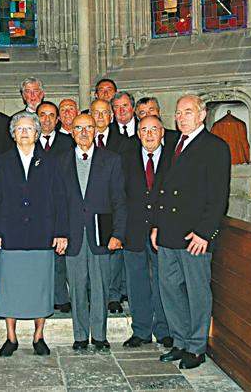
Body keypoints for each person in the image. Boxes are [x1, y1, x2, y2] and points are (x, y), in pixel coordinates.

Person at [152, 95, 231, 370]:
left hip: (194, 236)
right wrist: (156, 225)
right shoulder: (174, 144)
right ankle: (181, 341)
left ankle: (196, 347)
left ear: (201, 116)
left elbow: (219, 196)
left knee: (197, 291)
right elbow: (161, 188)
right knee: (170, 289)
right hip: (169, 233)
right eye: (178, 113)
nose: (182, 117)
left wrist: (204, 233)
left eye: (187, 112)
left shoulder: (215, 147)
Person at [0, 112, 69, 357]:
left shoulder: (50, 161)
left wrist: (61, 232)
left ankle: (38, 336)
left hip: (41, 234)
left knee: (40, 286)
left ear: (37, 133)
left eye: (29, 128)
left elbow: (60, 199)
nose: (24, 132)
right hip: (9, 235)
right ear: (13, 134)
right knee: (10, 287)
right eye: (19, 128)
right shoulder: (2, 161)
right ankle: (10, 338)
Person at [61, 113, 127, 350]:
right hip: (72, 235)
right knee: (77, 288)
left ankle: (99, 335)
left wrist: (118, 233)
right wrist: (59, 234)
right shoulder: (61, 161)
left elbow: (119, 199)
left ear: (96, 131)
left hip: (102, 235)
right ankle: (80, 336)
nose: (84, 132)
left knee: (100, 286)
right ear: (71, 131)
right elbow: (56, 203)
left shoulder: (111, 160)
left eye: (89, 127)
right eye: (79, 128)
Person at [120, 115, 174, 349]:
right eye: (144, 130)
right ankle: (140, 330)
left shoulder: (174, 158)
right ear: (138, 134)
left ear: (162, 132)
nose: (149, 134)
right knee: (136, 282)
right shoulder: (125, 158)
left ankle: (163, 329)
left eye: (154, 129)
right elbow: (119, 196)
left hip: (163, 232)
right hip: (133, 231)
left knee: (164, 281)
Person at [89, 99, 130, 313]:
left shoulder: (124, 142)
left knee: (113, 255)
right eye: (96, 112)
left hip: (112, 205)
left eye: (105, 112)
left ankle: (112, 294)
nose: (101, 117)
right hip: (88, 208)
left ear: (111, 116)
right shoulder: (81, 138)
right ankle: (91, 292)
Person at [35, 101, 74, 314]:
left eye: (52, 115)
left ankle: (60, 295)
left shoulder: (68, 142)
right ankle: (42, 297)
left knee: (59, 255)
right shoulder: (28, 141)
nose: (47, 119)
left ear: (57, 119)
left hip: (61, 202)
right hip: (35, 207)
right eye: (43, 115)